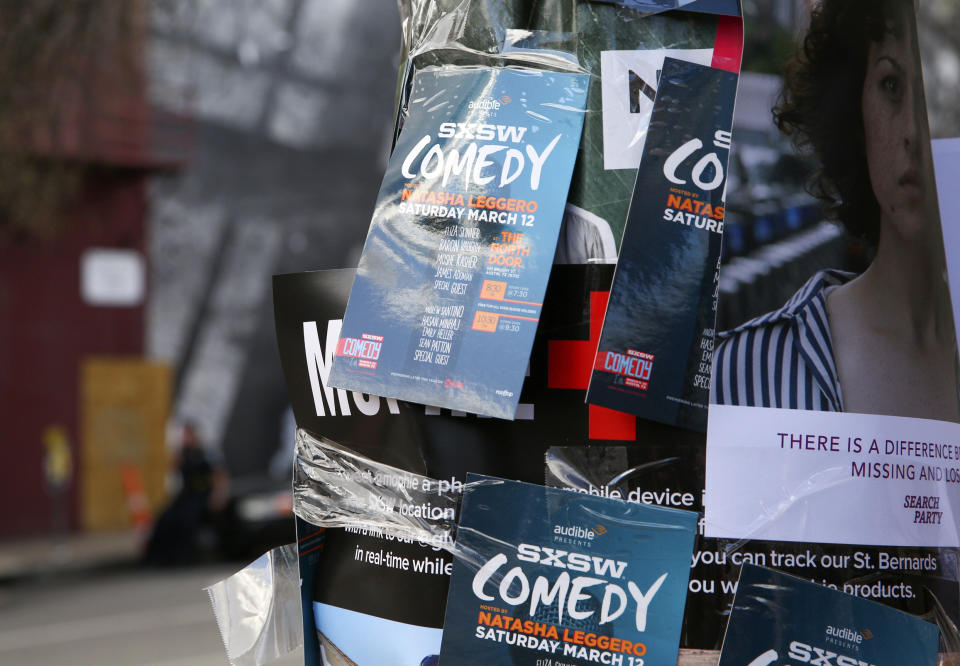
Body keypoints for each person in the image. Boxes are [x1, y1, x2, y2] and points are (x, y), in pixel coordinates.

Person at [711, 0, 960, 421]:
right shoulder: (739, 376)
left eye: (948, 92)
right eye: (892, 86)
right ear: (854, 109)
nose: (917, 132)